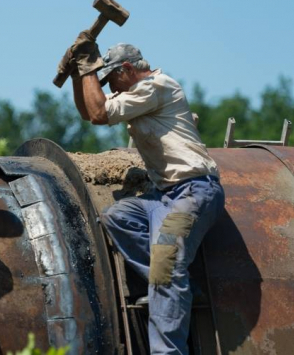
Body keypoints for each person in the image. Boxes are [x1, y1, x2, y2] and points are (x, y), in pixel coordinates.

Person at [64, 34, 225, 354]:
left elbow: (98, 113)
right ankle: (179, 288)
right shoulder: (137, 92)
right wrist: (78, 73)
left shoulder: (157, 86)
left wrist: (88, 69)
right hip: (163, 196)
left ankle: (167, 347)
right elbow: (90, 112)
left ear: (126, 69)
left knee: (166, 263)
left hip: (193, 192)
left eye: (112, 80)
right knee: (118, 215)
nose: (110, 88)